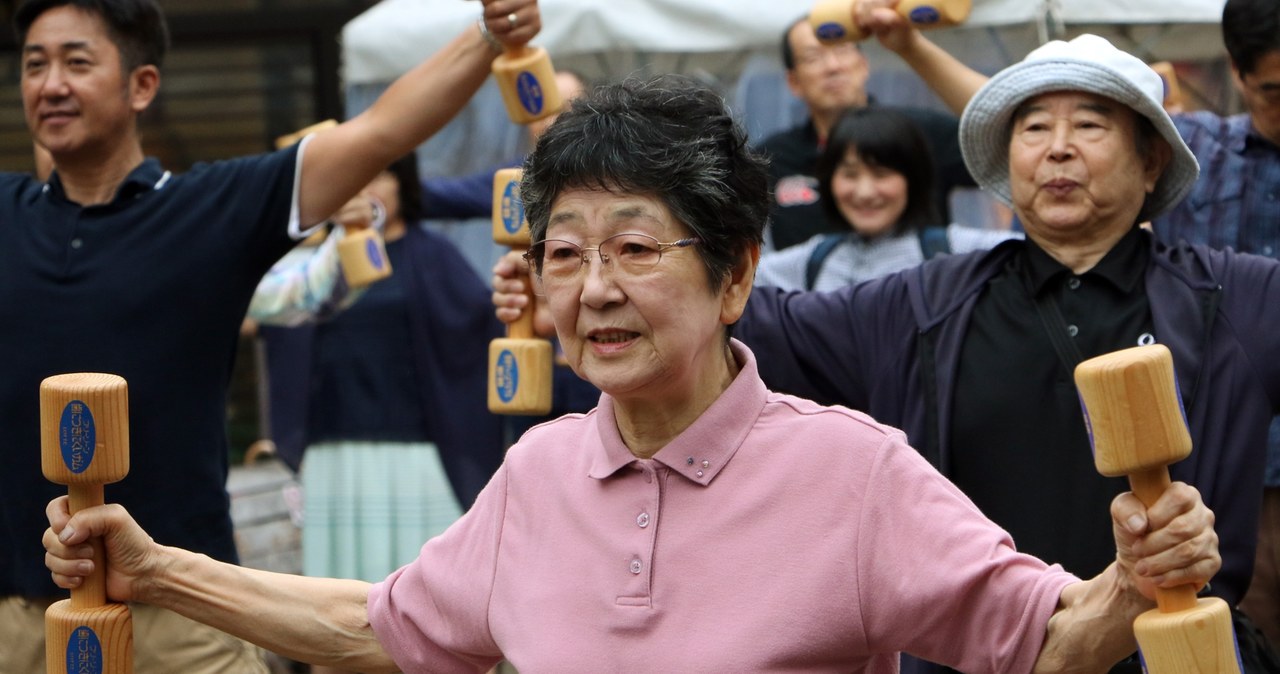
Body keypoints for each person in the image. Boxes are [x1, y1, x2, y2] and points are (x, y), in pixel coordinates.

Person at [44, 74, 1221, 674]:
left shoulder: (851, 470)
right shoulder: (540, 468)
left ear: (731, 274)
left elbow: (1043, 637)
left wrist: (1130, 579)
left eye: (635, 248)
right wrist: (158, 570)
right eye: (563, 253)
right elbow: (382, 623)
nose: (592, 288)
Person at [493, 30, 1280, 674]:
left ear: (1151, 161)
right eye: (1035, 128)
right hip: (974, 655)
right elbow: (750, 315)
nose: (1058, 149)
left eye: (1091, 125)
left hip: (1178, 651)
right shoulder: (923, 302)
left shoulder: (1240, 298)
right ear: (1006, 166)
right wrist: (600, 280)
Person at [0, 0, 542, 671]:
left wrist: (489, 34)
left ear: (141, 85)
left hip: (185, 615)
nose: (50, 84)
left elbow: (378, 131)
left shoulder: (209, 208)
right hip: (14, 620)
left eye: (76, 62)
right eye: (33, 65)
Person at [260, 153, 504, 674]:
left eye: (381, 173)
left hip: (416, 455)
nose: (366, 185)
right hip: (336, 452)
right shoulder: (316, 263)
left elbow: (482, 329)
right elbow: (275, 318)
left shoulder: (433, 256)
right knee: (334, 611)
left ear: (404, 185)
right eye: (355, 173)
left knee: (428, 611)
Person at [1146, 0, 1280, 651]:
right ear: (1239, 71)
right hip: (1224, 489)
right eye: (1275, 91)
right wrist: (914, 49)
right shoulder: (1195, 154)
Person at [760, 16, 976, 251]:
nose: (833, 66)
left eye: (842, 50)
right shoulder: (771, 158)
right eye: (813, 57)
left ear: (863, 64)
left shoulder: (920, 131)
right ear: (793, 81)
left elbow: (999, 142)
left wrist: (911, 47)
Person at [754, 105, 1017, 291]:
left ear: (913, 178)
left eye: (881, 174)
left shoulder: (955, 252)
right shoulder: (813, 261)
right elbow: (736, 278)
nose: (865, 192)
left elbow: (1043, 255)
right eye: (850, 174)